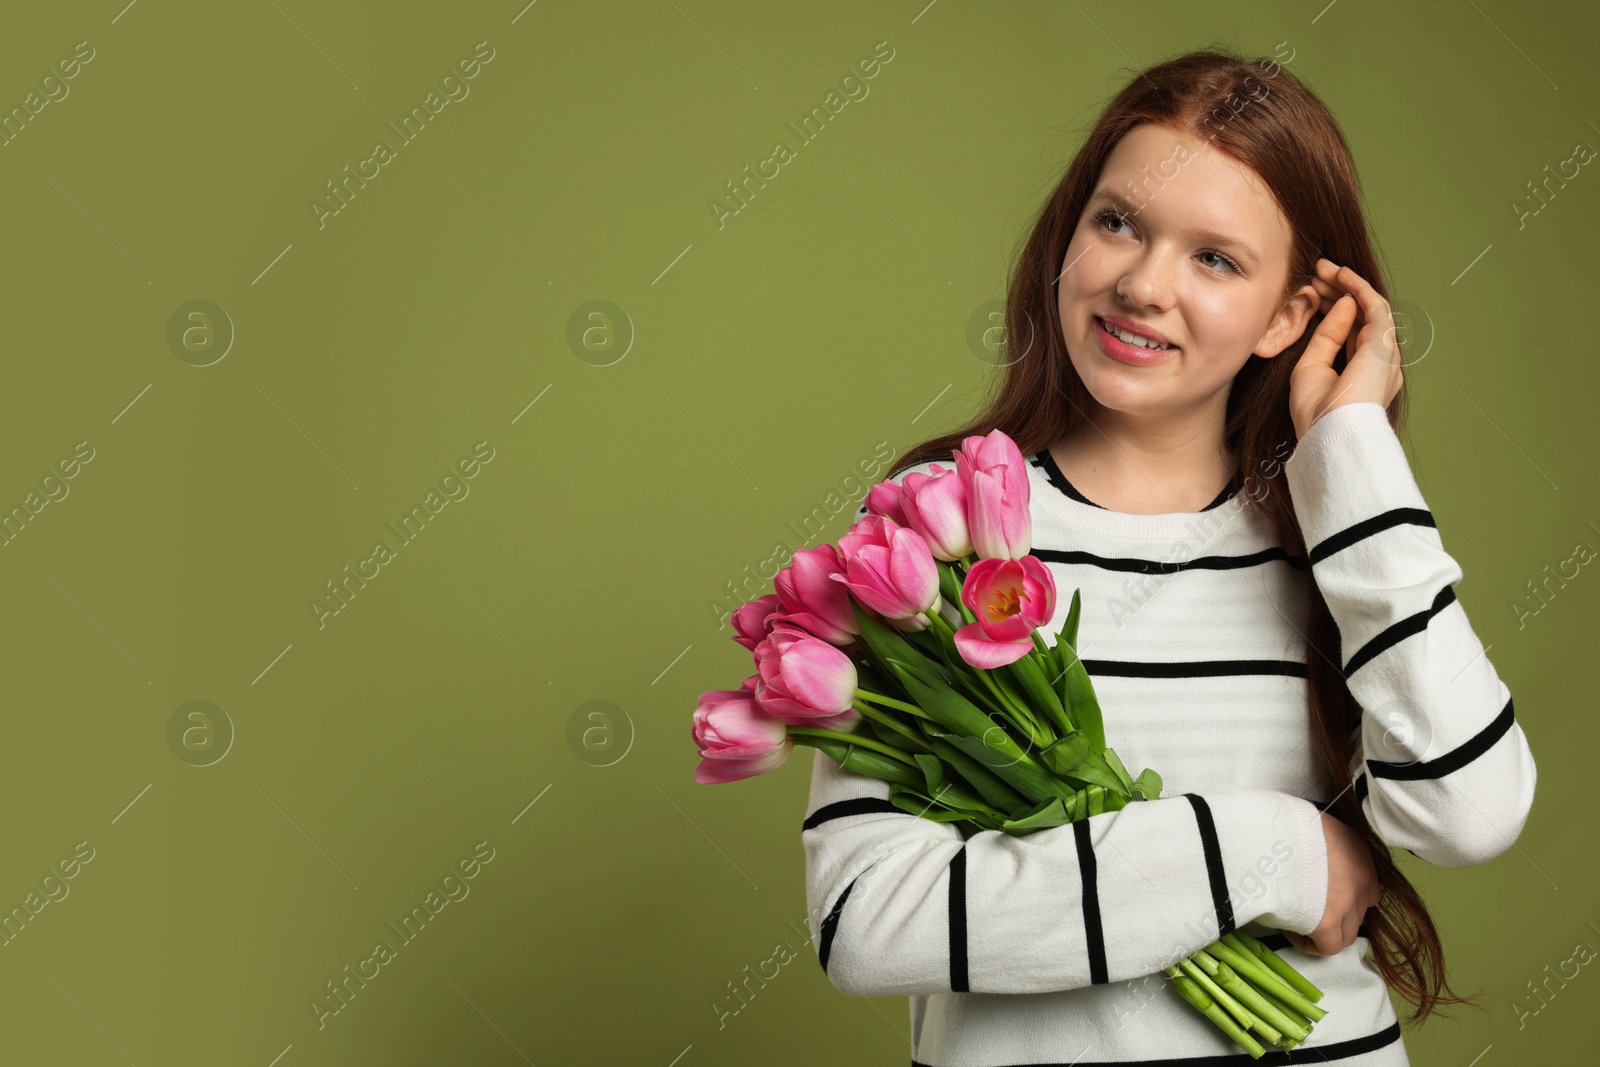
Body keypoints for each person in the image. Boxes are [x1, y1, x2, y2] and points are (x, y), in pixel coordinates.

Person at [801, 46, 1536, 1066]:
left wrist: (1352, 456)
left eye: (1215, 258)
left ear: (1289, 314)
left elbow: (1469, 811)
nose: (1142, 283)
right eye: (1118, 223)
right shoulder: (942, 533)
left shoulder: (1338, 539)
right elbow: (867, 917)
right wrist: (1271, 852)